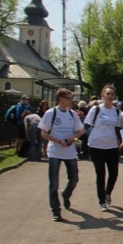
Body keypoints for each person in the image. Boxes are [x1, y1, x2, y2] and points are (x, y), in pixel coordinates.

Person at [38, 89, 85, 222]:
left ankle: (66, 194)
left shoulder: (72, 114)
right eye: (69, 98)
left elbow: (80, 130)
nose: (71, 101)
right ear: (61, 99)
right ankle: (56, 210)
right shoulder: (51, 113)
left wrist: (73, 137)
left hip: (69, 152)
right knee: (53, 183)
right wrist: (58, 141)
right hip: (55, 152)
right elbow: (43, 133)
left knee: (74, 179)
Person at [85, 85, 122, 212]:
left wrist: (120, 142)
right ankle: (101, 201)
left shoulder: (116, 112)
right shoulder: (95, 110)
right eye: (108, 94)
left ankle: (107, 192)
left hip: (111, 146)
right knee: (100, 173)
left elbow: (119, 129)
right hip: (96, 146)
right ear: (103, 96)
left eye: (112, 94)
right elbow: (86, 126)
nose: (110, 96)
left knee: (114, 173)